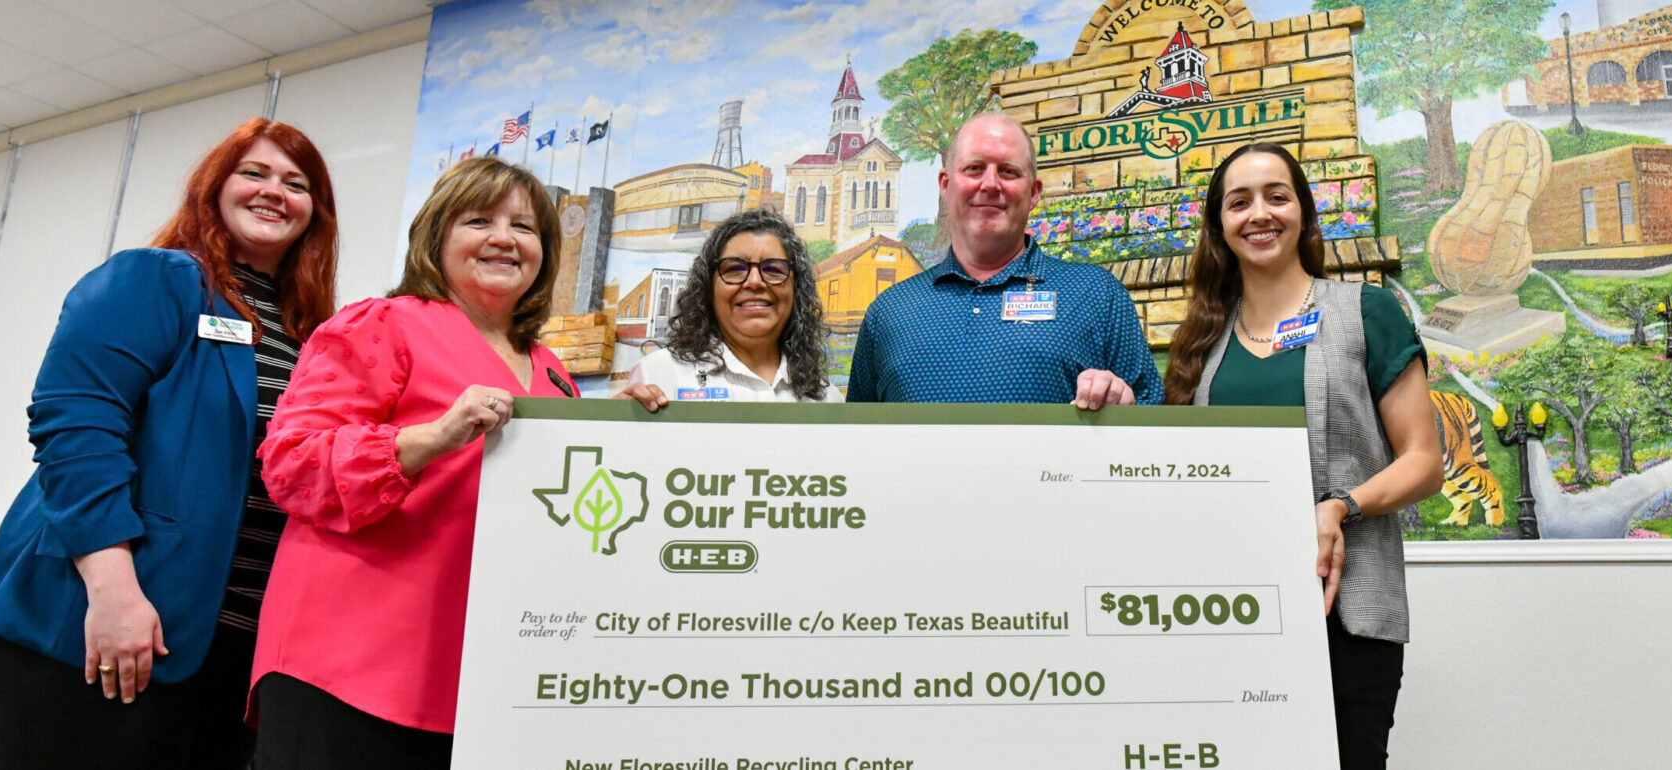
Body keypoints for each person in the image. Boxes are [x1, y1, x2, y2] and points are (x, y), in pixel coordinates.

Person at [0, 118, 338, 769]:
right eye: (253, 173)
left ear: (316, 211)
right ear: (213, 187)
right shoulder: (160, 280)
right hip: (100, 624)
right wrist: (113, 592)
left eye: (295, 182)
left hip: (231, 649)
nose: (274, 191)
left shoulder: (315, 334)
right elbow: (76, 424)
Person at [248, 157, 573, 768]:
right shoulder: (383, 325)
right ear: (436, 236)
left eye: (524, 227)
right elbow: (292, 463)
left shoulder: (554, 371)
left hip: (478, 678)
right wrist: (433, 437)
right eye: (479, 221)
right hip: (347, 663)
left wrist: (637, 426)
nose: (504, 238)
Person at [1162, 142, 1442, 769]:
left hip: (1347, 617)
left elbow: (1425, 460)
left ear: (1305, 213)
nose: (1259, 213)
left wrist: (1340, 506)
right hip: (1230, 616)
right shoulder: (1199, 341)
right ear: (1220, 227)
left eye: (1276, 196)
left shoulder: (1365, 312)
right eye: (1239, 202)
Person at [846, 113, 1161, 407]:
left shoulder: (1098, 295)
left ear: (1034, 192)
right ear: (945, 185)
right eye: (974, 168)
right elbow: (856, 437)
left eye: (1008, 171)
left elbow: (1154, 416)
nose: (990, 184)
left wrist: (1126, 406)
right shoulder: (888, 312)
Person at [618, 208, 840, 410]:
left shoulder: (827, 398)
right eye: (734, 268)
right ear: (708, 288)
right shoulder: (658, 375)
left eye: (773, 269)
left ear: (796, 289)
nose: (754, 281)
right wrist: (615, 424)